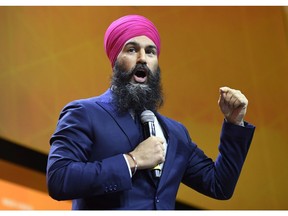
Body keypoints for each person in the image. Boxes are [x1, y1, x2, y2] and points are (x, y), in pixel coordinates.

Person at [46, 14, 255, 210]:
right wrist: (132, 160)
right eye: (131, 50)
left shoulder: (176, 133)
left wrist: (234, 123)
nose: (143, 58)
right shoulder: (85, 113)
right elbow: (59, 179)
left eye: (150, 51)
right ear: (114, 60)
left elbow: (219, 185)